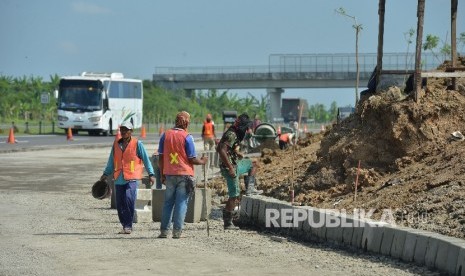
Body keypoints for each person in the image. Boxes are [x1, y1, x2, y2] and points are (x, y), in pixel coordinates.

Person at [158, 111, 208, 239]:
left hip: (169, 174)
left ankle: (164, 231)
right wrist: (202, 161)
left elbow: (161, 157)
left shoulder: (165, 135)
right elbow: (192, 159)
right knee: (181, 203)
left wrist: (162, 174)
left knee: (168, 203)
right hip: (184, 175)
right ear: (185, 122)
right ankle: (177, 232)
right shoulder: (187, 137)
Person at [100, 120, 155, 234]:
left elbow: (145, 159)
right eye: (122, 130)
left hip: (132, 177)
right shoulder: (116, 145)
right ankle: (124, 224)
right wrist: (105, 174)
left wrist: (151, 174)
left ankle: (128, 226)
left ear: (131, 131)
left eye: (126, 130)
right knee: (120, 204)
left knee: (129, 199)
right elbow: (111, 161)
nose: (124, 132)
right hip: (119, 178)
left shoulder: (137, 144)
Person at [216, 113, 262, 230]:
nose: (247, 130)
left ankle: (250, 188)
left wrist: (236, 153)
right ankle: (227, 222)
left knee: (253, 164)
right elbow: (221, 150)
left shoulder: (235, 133)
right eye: (246, 127)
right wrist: (230, 168)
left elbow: (223, 147)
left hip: (235, 164)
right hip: (230, 167)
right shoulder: (231, 134)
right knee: (234, 195)